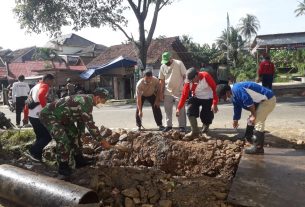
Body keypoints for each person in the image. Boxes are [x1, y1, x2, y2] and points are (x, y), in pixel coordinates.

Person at [39, 88, 112, 177]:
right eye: (102, 101)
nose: (101, 103)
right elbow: (90, 124)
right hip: (50, 116)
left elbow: (81, 120)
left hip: (64, 119)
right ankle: (63, 166)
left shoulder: (87, 101)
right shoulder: (86, 102)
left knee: (75, 135)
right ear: (97, 97)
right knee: (63, 140)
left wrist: (82, 134)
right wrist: (102, 141)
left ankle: (79, 160)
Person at [217, 82, 276, 154]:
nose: (225, 99)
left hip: (268, 100)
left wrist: (254, 115)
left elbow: (249, 102)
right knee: (251, 120)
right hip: (260, 102)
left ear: (227, 92)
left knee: (258, 121)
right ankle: (249, 138)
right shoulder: (234, 93)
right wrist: (235, 119)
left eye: (224, 97)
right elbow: (237, 107)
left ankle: (258, 148)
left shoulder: (237, 89)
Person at [176, 68, 219, 139]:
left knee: (207, 115)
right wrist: (178, 108)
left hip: (208, 97)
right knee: (190, 109)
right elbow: (184, 95)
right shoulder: (188, 81)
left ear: (196, 76)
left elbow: (215, 90)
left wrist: (214, 103)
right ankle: (195, 131)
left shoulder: (206, 76)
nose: (191, 82)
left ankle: (204, 132)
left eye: (192, 80)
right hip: (196, 97)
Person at [24, 74, 54, 162]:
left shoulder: (34, 87)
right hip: (38, 116)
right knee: (47, 137)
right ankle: (32, 151)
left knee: (40, 137)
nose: (52, 83)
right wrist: (46, 109)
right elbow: (41, 96)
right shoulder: (45, 86)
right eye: (52, 81)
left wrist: (25, 116)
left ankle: (37, 156)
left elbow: (27, 103)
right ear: (48, 80)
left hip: (31, 116)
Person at [159, 51, 187, 132]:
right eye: (164, 62)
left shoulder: (179, 63)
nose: (166, 63)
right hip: (167, 91)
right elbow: (161, 80)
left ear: (171, 59)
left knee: (180, 109)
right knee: (167, 109)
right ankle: (168, 126)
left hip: (179, 91)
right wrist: (161, 92)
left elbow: (185, 76)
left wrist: (185, 87)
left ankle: (182, 126)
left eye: (167, 62)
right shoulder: (162, 66)